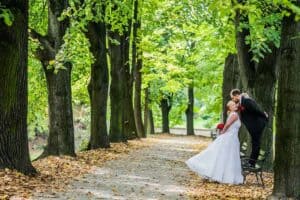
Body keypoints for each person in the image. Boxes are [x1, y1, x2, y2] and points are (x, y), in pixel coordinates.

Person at [185, 101, 243, 184]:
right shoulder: (234, 115)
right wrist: (223, 132)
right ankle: (225, 176)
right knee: (227, 156)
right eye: (232, 105)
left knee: (226, 157)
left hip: (232, 138)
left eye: (234, 104)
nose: (235, 106)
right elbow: (227, 125)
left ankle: (222, 175)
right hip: (230, 138)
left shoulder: (232, 114)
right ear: (229, 108)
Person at [230, 89, 268, 167]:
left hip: (257, 125)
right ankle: (251, 162)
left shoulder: (246, 101)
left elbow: (256, 109)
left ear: (236, 95)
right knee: (255, 143)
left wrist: (265, 115)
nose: (232, 100)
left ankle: (252, 163)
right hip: (253, 126)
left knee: (256, 143)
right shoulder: (242, 102)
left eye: (232, 98)